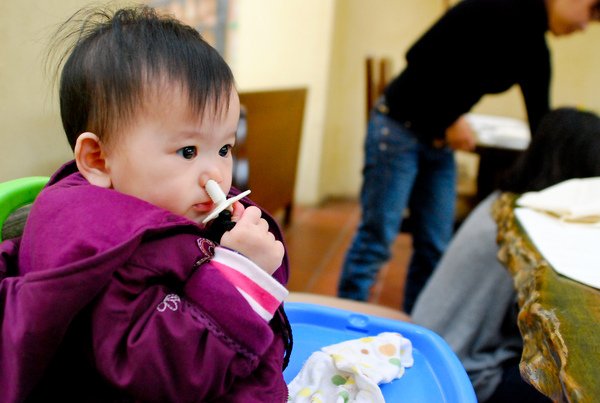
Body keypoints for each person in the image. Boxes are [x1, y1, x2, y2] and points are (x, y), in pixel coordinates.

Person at [0, 6, 292, 402]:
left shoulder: (165, 205)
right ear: (99, 160)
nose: (217, 176)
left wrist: (232, 242)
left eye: (223, 148)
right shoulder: (104, 252)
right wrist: (240, 278)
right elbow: (160, 374)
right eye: (188, 150)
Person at [337, 0, 600, 313]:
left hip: (437, 141)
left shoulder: (536, 51)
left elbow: (541, 124)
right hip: (398, 129)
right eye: (592, 10)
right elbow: (419, 55)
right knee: (377, 239)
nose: (587, 25)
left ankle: (417, 325)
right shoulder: (493, 8)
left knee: (435, 245)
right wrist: (448, 117)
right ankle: (342, 319)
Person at [411, 107, 600, 402]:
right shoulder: (528, 227)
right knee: (572, 383)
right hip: (458, 372)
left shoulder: (507, 203)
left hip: (436, 349)